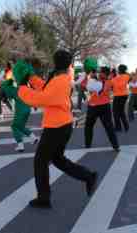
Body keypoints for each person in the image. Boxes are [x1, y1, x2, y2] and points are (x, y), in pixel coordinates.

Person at [18, 50, 98, 209]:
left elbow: (43, 98)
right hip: (61, 125)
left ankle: (43, 198)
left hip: (57, 127)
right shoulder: (60, 77)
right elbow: (45, 89)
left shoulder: (61, 80)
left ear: (55, 62)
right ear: (69, 63)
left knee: (40, 161)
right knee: (57, 159)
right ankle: (88, 176)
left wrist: (21, 87)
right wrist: (31, 78)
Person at [1, 61, 38, 152]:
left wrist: (10, 80)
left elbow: (5, 86)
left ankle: (20, 145)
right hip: (27, 110)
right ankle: (33, 138)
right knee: (20, 126)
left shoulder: (16, 90)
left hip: (20, 110)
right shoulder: (28, 88)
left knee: (14, 126)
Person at [85, 67, 119, 151]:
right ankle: (115, 145)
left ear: (104, 74)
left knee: (90, 126)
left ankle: (88, 144)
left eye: (100, 72)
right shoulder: (108, 81)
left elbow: (89, 88)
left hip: (95, 107)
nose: (98, 73)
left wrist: (92, 78)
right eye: (99, 72)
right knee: (108, 127)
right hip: (103, 106)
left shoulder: (100, 82)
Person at [111, 64, 130, 132]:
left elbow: (111, 87)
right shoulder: (127, 76)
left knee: (115, 112)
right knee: (121, 111)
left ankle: (118, 127)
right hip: (125, 95)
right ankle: (126, 126)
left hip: (117, 96)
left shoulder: (114, 79)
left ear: (119, 70)